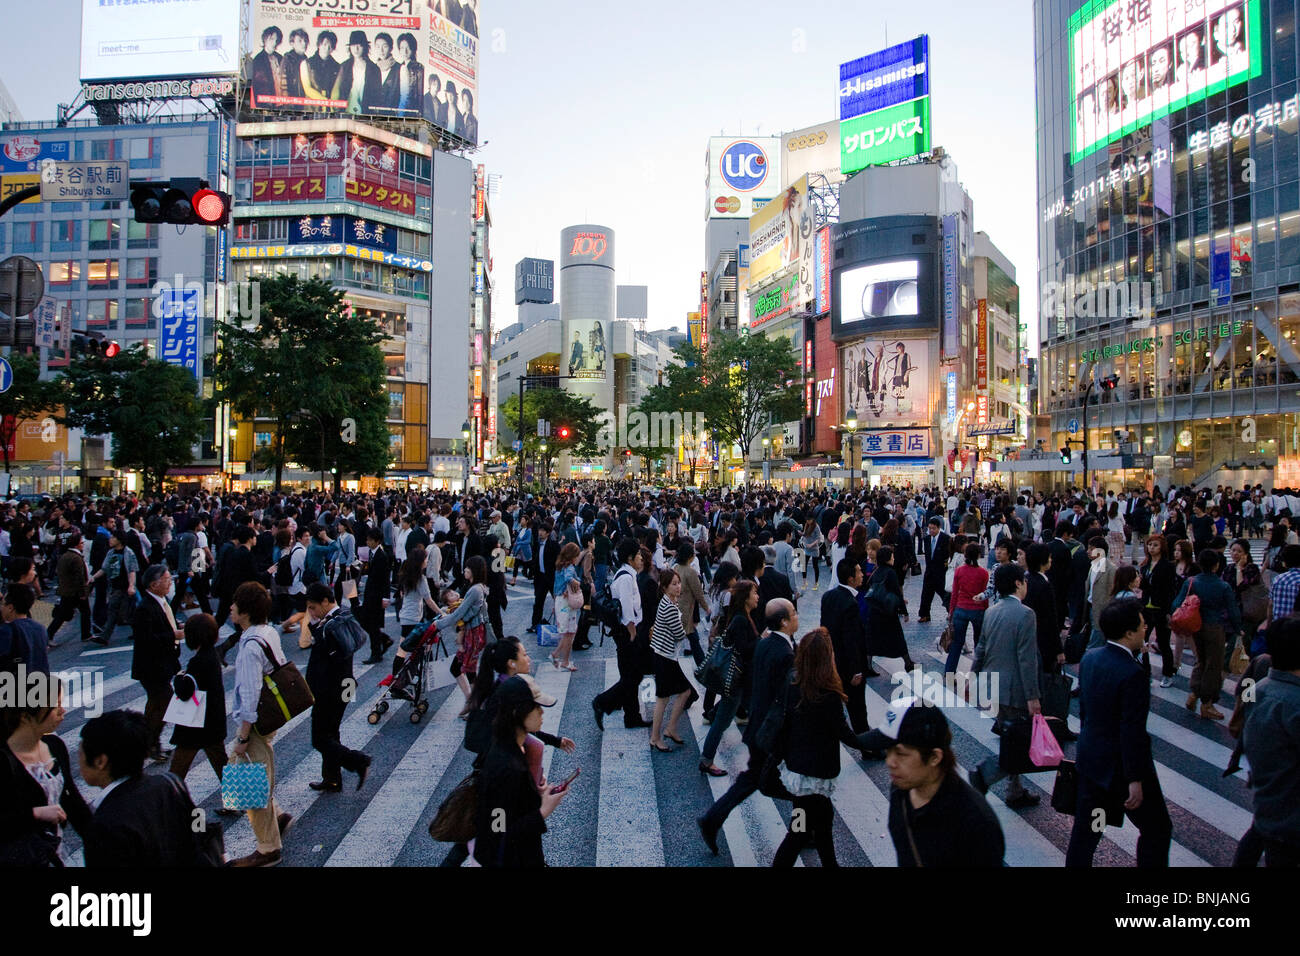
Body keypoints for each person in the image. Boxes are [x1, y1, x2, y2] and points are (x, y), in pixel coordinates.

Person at [1066, 599, 1172, 867]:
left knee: (1086, 833)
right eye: (1141, 624)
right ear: (1128, 632)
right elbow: (1132, 730)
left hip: (1091, 758)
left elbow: (1086, 710)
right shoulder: (1133, 673)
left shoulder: (1090, 658)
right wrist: (1135, 779)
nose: (1145, 627)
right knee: (1157, 828)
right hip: (1124, 767)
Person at [771, 627, 879, 867]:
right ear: (825, 659)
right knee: (800, 832)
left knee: (817, 826)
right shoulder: (828, 696)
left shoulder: (794, 684)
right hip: (814, 779)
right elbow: (849, 737)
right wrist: (881, 737)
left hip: (799, 772)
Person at [698, 598, 798, 855]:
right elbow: (783, 697)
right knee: (800, 787)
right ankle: (801, 831)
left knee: (753, 781)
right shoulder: (784, 654)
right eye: (794, 613)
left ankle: (711, 820)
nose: (798, 617)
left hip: (758, 728)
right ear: (785, 621)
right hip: (772, 733)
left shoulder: (765, 645)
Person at [871, 696, 1005, 867]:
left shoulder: (976, 822)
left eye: (901, 753)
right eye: (888, 751)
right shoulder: (900, 789)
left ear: (935, 757)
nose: (890, 762)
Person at [78, 710, 210, 867]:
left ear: (101, 761)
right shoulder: (168, 785)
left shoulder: (104, 826)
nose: (79, 761)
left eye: (80, 754)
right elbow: (195, 840)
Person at [227, 581, 293, 867]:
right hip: (269, 717)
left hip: (254, 723)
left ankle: (268, 849)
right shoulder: (266, 632)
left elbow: (251, 694)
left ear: (245, 611)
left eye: (235, 604)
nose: (230, 608)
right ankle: (277, 815)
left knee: (249, 785)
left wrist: (242, 736)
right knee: (241, 774)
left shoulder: (251, 645)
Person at [969, 563, 1043, 809]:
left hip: (994, 686)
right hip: (1015, 689)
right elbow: (1026, 658)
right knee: (1018, 746)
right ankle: (984, 775)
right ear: (1018, 584)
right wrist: (1033, 696)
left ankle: (1015, 789)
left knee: (1012, 739)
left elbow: (981, 647)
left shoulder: (992, 611)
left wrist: (973, 676)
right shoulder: (1026, 614)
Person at [474, 675, 567, 867]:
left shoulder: (511, 748)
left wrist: (536, 794)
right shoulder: (504, 765)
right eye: (536, 707)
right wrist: (542, 811)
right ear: (518, 711)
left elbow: (511, 807)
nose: (542, 712)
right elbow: (497, 830)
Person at [1, 685, 90, 865]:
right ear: (26, 717)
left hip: (52, 852)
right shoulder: (4, 760)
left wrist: (100, 837)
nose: (62, 711)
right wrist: (34, 814)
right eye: (54, 706)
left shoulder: (54, 745)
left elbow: (72, 800)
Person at [1240, 618, 1300, 867]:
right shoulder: (1293, 703)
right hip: (1291, 814)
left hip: (1268, 799)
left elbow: (1245, 713)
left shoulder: (1262, 686)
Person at [303, 584, 372, 793]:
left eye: (312, 607)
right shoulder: (344, 614)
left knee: (320, 738)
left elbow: (322, 661)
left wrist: (312, 692)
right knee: (331, 731)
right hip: (347, 684)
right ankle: (332, 778)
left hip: (331, 688)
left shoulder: (330, 627)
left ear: (325, 601)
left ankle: (357, 760)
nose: (311, 612)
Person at [1171, 549, 1242, 720]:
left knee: (1200, 660)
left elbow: (1176, 603)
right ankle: (1207, 703)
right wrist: (1238, 627)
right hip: (1214, 626)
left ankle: (1194, 694)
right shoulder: (1223, 586)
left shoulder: (1191, 581)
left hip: (1195, 626)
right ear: (1216, 566)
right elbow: (1232, 610)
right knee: (1213, 665)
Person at [592, 539, 652, 730]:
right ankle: (602, 702)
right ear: (630, 557)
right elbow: (626, 608)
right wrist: (632, 632)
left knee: (630, 675)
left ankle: (632, 716)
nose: (641, 558)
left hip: (626, 631)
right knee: (633, 676)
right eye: (638, 555)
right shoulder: (626, 577)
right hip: (627, 633)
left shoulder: (627, 574)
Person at [168, 614, 230, 790]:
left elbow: (185, 691)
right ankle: (245, 803)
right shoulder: (212, 655)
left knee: (177, 770)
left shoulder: (198, 661)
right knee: (222, 764)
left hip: (194, 724)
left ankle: (168, 804)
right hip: (213, 721)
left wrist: (179, 677)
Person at [132, 564, 184, 763]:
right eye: (167, 580)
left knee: (155, 706)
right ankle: (150, 743)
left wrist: (175, 627)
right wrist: (173, 634)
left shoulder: (162, 601)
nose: (170, 583)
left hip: (162, 664)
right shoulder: (144, 607)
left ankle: (148, 743)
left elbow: (162, 624)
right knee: (164, 703)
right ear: (154, 584)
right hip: (151, 667)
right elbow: (146, 639)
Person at [428, 554, 490, 713]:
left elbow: (458, 614)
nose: (464, 570)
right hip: (472, 633)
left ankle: (476, 704)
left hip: (474, 634)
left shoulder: (475, 590)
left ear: (474, 570)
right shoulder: (477, 588)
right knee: (458, 668)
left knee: (468, 670)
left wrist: (438, 625)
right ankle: (471, 701)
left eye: (467, 568)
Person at [647, 568, 696, 751]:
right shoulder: (669, 607)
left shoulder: (668, 602)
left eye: (678, 583)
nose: (678, 587)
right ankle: (655, 737)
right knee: (663, 699)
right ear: (665, 587)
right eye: (674, 584)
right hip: (665, 657)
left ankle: (670, 728)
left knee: (682, 692)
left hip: (665, 656)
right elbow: (679, 634)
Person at [823, 558, 872, 733]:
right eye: (859, 571)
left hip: (833, 660)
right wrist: (857, 669)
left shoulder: (829, 596)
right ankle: (865, 744)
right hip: (849, 665)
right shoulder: (850, 603)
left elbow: (825, 630)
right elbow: (851, 639)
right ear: (850, 578)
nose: (862, 575)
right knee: (858, 707)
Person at [865, 545, 915, 672]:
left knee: (872, 640)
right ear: (887, 558)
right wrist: (904, 611)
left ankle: (868, 665)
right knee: (898, 638)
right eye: (892, 555)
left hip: (875, 610)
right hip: (888, 612)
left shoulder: (876, 571)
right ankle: (908, 663)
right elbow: (897, 593)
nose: (893, 558)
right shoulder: (890, 572)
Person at [1139, 534, 1178, 687]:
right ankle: (1146, 673)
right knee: (1142, 641)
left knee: (1163, 643)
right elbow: (1143, 587)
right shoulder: (1145, 565)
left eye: (1155, 545)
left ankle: (1168, 673)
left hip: (1161, 608)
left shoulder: (1168, 566)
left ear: (1162, 547)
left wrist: (1169, 611)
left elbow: (1170, 590)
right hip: (1146, 608)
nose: (1152, 548)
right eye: (1149, 545)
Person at [944, 542, 989, 674]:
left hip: (961, 609)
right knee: (979, 643)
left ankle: (949, 673)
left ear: (965, 555)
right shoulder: (983, 573)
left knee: (956, 644)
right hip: (978, 610)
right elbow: (984, 595)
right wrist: (985, 610)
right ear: (979, 555)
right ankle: (978, 672)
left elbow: (954, 593)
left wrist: (951, 611)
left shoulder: (959, 571)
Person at [88, 527, 137, 646]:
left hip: (125, 587)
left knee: (126, 613)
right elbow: (104, 568)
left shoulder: (128, 552)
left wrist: (131, 586)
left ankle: (140, 630)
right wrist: (93, 577)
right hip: (115, 587)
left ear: (119, 540)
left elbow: (132, 570)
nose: (110, 539)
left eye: (113, 537)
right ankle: (105, 636)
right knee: (113, 611)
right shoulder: (111, 553)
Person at [47, 529, 91, 646]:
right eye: (81, 543)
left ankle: (50, 634)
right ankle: (85, 634)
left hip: (66, 590)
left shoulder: (65, 556)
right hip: (74, 592)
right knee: (83, 612)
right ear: (77, 544)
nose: (83, 545)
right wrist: (82, 593)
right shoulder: (76, 558)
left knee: (63, 614)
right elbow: (79, 577)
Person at [360, 526, 394, 664]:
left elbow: (385, 579)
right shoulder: (372, 552)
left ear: (376, 541)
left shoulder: (382, 556)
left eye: (369, 540)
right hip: (370, 593)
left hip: (377, 595)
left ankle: (376, 653)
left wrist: (385, 597)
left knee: (373, 625)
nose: (367, 542)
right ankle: (384, 639)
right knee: (366, 621)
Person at [1, 585, 49, 675]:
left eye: (3, 604)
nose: (1, 608)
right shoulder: (40, 628)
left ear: (10, 608)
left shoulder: (6, 631)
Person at [331, 30, 382, 114]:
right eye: (353, 45)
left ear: (365, 47)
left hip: (365, 113)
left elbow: (377, 96)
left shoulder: (374, 69)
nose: (356, 49)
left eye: (359, 45)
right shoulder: (344, 66)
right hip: (345, 111)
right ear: (350, 47)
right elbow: (338, 90)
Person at [550, 542, 582, 671]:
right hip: (566, 602)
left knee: (569, 631)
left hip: (560, 600)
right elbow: (569, 578)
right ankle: (557, 655)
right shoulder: (569, 567)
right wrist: (576, 582)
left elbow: (556, 585)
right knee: (569, 632)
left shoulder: (559, 566)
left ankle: (564, 660)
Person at [917, 517, 950, 622]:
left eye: (933, 528)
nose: (931, 530)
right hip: (929, 571)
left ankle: (951, 612)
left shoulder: (945, 539)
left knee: (945, 594)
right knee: (926, 594)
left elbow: (949, 554)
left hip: (941, 572)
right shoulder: (926, 539)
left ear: (939, 528)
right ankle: (924, 614)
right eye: (930, 528)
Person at [529, 520, 559, 634]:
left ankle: (560, 624)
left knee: (558, 601)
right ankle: (535, 624)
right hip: (540, 577)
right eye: (539, 530)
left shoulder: (553, 545)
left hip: (551, 577)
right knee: (538, 602)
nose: (540, 533)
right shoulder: (537, 544)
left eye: (542, 531)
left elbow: (558, 561)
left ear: (548, 533)